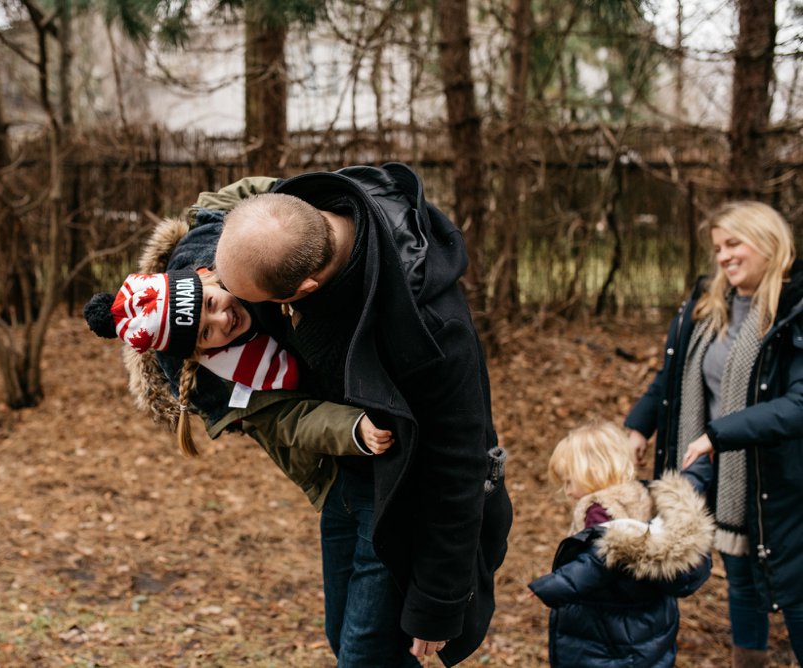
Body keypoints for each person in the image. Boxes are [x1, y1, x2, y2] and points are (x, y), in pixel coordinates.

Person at [207, 163, 513, 666]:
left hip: (406, 501)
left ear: (304, 290)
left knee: (366, 656)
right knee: (343, 638)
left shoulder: (434, 327)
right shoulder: (293, 218)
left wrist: (437, 601)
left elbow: (461, 463)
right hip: (345, 484)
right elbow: (205, 228)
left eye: (261, 303)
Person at [83, 216, 395, 512]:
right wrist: (352, 427)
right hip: (333, 464)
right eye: (206, 332)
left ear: (207, 277)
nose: (223, 319)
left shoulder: (245, 261)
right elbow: (287, 419)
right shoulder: (224, 379)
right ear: (199, 353)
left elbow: (240, 202)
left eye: (209, 304)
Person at [624, 201, 803, 666]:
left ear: (766, 241)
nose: (723, 257)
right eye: (718, 248)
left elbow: (799, 404)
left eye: (734, 244)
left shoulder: (795, 307)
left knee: (797, 589)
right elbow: (672, 377)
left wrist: (718, 434)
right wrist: (637, 426)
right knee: (740, 576)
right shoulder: (709, 307)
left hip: (782, 478)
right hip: (724, 473)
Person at [528, 422, 713, 667]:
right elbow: (692, 481)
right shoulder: (645, 494)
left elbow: (597, 562)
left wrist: (553, 585)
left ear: (592, 472)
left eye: (569, 482)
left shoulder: (599, 511)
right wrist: (702, 464)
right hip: (648, 630)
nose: (568, 492)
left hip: (605, 637)